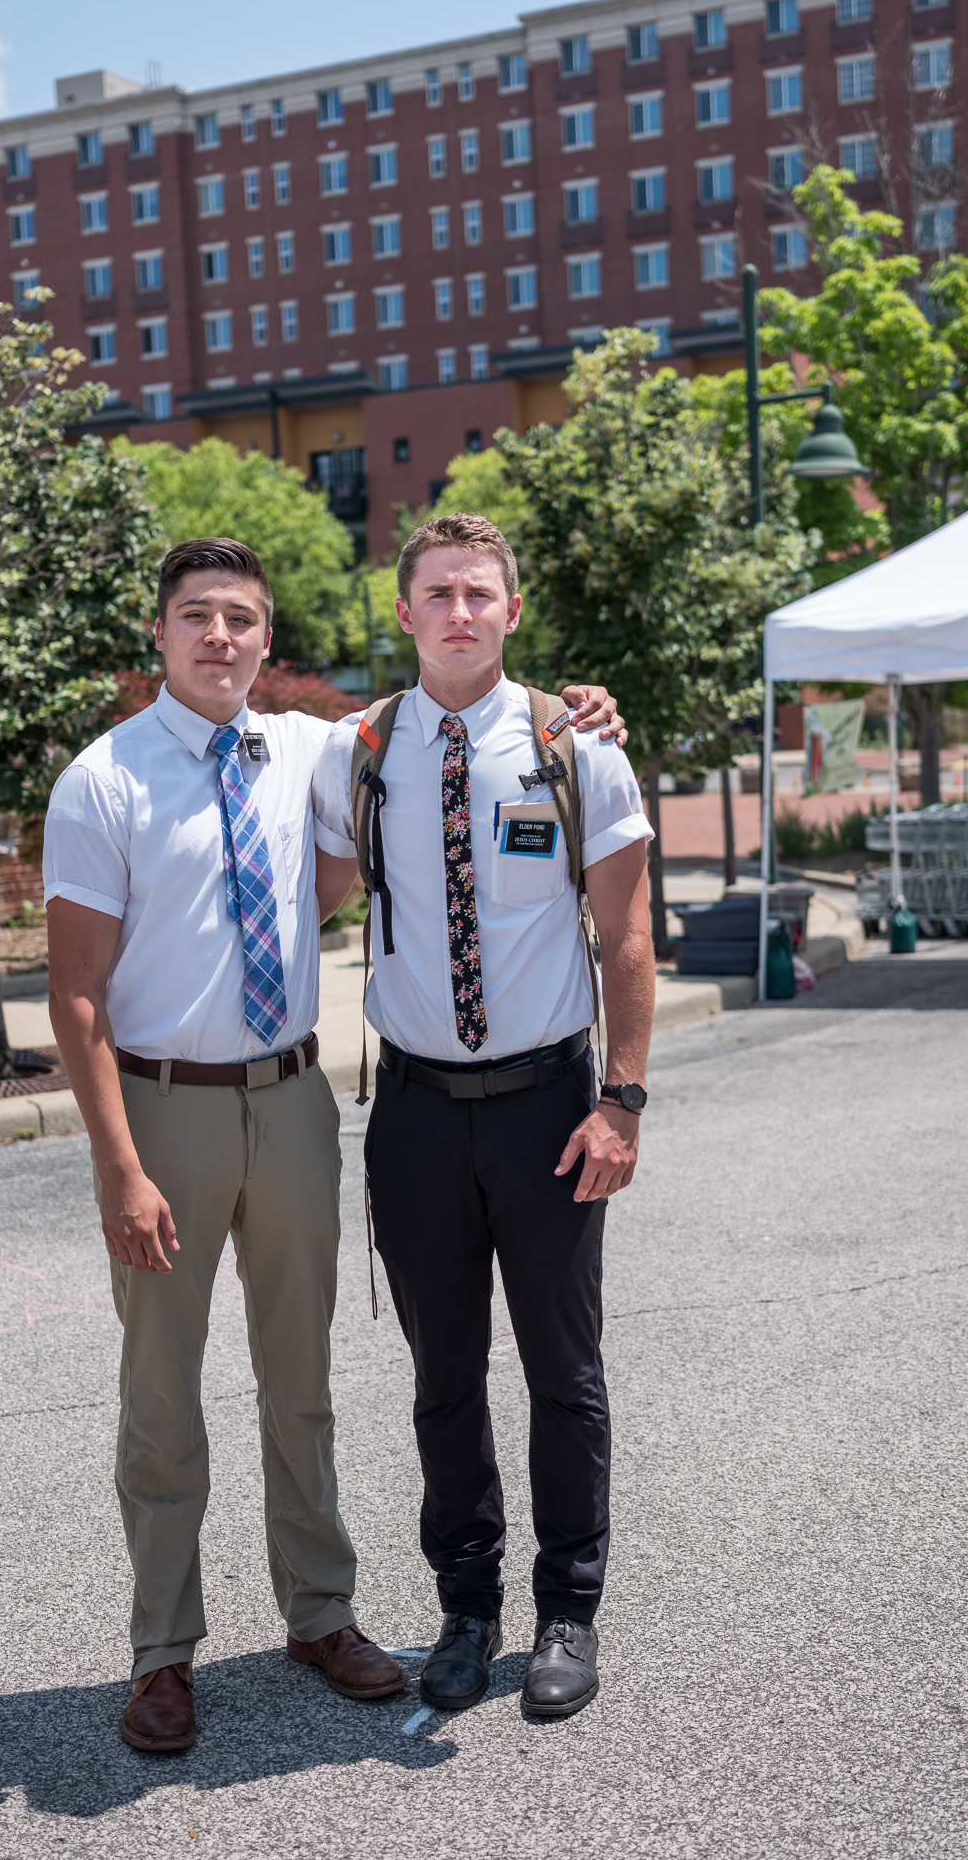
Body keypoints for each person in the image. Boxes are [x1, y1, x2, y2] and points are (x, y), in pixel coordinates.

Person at [44, 536, 624, 1754]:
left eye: (241, 620)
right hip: (167, 1109)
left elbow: (455, 728)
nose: (218, 637)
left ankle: (321, 1612)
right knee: (163, 1392)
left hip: (302, 1098)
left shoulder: (321, 747)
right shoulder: (103, 780)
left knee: (301, 1382)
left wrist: (581, 706)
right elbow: (77, 991)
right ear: (159, 634)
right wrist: (117, 1163)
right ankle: (163, 1650)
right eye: (195, 616)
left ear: (269, 642)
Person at [312, 512, 656, 1723]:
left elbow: (624, 937)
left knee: (564, 1372)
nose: (459, 610)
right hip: (412, 1112)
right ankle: (468, 1606)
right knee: (441, 1376)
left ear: (511, 610)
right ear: (402, 612)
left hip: (549, 1107)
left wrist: (622, 1099)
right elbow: (307, 876)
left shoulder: (575, 748)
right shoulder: (352, 751)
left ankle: (570, 1606)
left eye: (480, 592)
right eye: (437, 592)